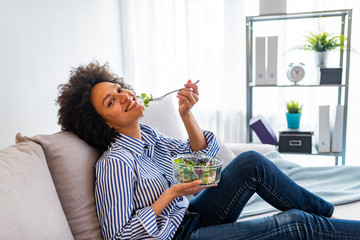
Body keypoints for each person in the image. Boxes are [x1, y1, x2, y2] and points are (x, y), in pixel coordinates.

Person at [56, 61, 360, 240]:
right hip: (179, 237)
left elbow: (199, 159)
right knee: (294, 224)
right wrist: (171, 194)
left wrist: (187, 115)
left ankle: (327, 217)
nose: (123, 97)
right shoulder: (115, 163)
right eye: (111, 101)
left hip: (192, 214)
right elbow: (119, 237)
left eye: (119, 90)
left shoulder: (148, 135)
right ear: (104, 124)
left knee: (251, 162)